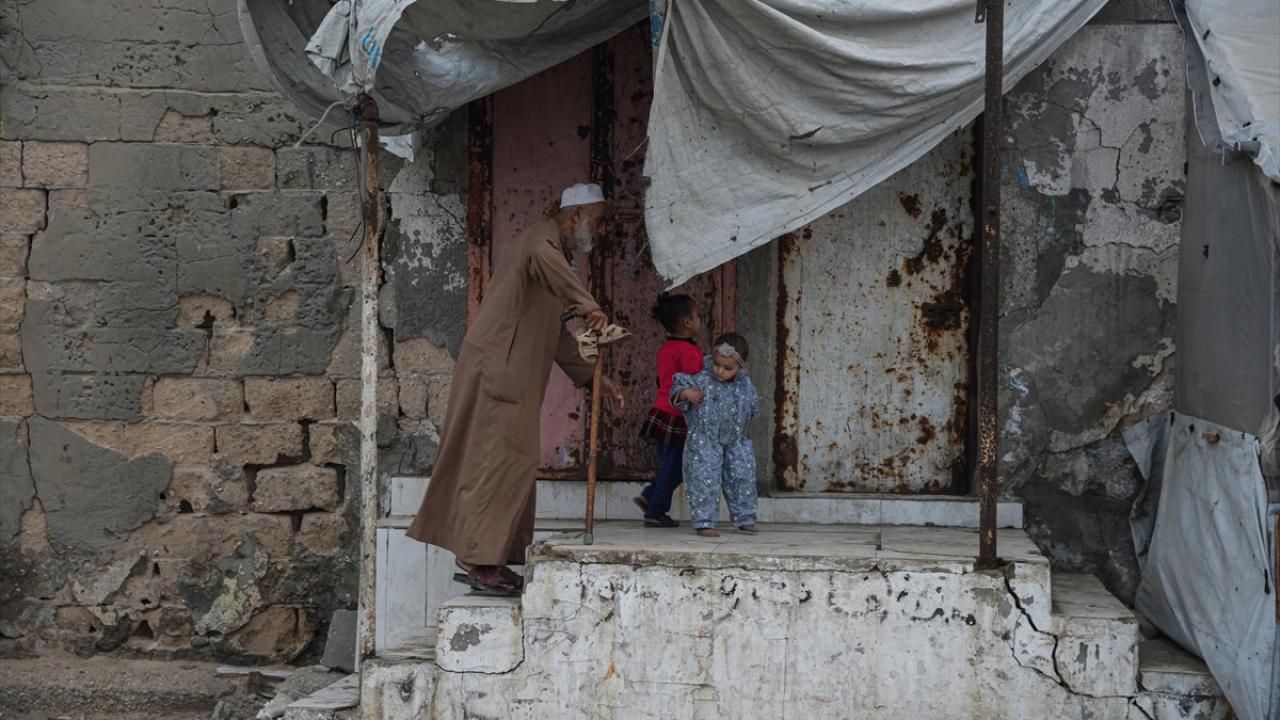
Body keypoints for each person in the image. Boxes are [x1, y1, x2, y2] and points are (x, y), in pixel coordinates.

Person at [406, 183, 625, 595]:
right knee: (499, 460)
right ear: (574, 215)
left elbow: (556, 333)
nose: (600, 228)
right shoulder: (540, 242)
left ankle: (493, 555)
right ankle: (476, 557)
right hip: (499, 371)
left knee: (514, 461)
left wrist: (591, 375)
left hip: (512, 374)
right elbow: (562, 285)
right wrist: (588, 305)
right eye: (597, 218)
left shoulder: (553, 259)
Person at [671, 332, 760, 538]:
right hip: (705, 441)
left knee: (742, 477)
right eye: (717, 364)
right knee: (704, 478)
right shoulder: (701, 380)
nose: (720, 371)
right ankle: (704, 521)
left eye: (728, 368)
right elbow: (678, 390)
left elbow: (753, 408)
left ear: (740, 367)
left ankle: (745, 518)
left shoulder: (745, 386)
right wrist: (687, 394)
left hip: (735, 442)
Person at [634, 294, 703, 528]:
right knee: (678, 466)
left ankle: (651, 495)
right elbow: (695, 383)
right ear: (687, 322)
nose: (699, 321)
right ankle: (655, 509)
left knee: (672, 464)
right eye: (697, 317)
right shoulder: (689, 353)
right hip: (678, 416)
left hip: (662, 411)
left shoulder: (666, 348)